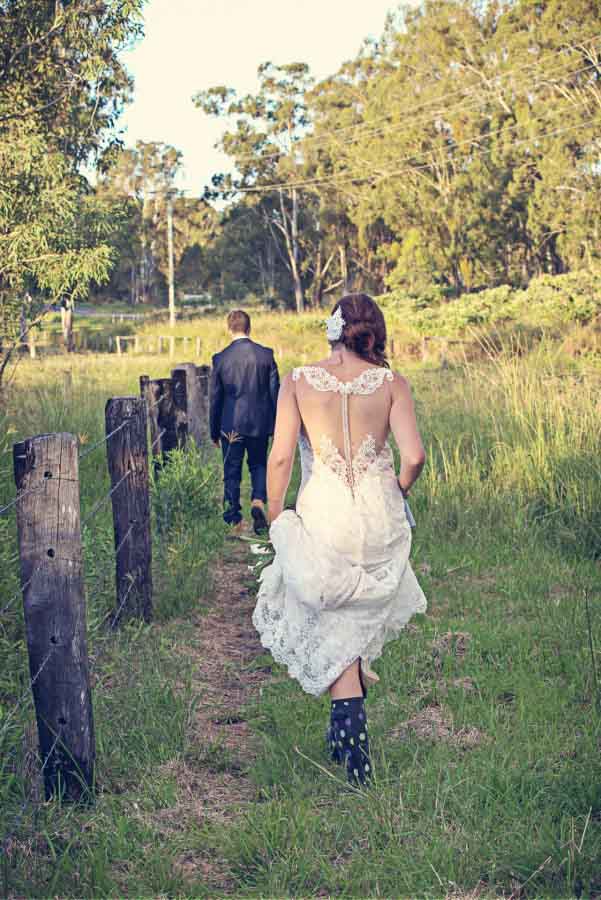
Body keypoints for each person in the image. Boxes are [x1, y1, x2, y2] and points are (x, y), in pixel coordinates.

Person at [252, 294, 427, 785]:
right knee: (352, 623)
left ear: (332, 328)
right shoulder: (393, 385)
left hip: (325, 511)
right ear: (375, 330)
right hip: (377, 514)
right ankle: (344, 740)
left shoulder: (299, 381)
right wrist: (397, 490)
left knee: (333, 619)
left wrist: (275, 513)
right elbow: (413, 455)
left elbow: (282, 456)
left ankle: (354, 758)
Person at [210, 309, 280, 535]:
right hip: (260, 423)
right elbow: (274, 393)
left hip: (230, 424)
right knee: (258, 464)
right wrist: (277, 426)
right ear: (249, 328)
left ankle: (234, 521)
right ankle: (258, 500)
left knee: (231, 471)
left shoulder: (221, 359)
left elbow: (216, 398)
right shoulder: (266, 355)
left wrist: (214, 431)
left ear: (228, 328)